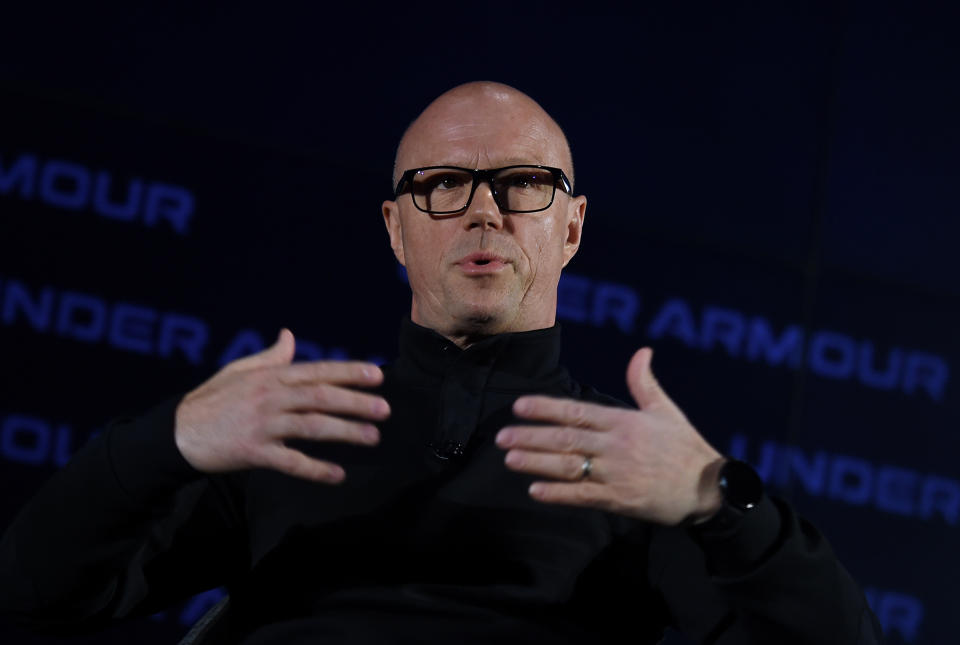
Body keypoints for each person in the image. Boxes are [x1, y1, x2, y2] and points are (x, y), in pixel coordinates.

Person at [0, 82, 882, 644]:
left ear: (569, 228)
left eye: (522, 183)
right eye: (442, 185)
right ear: (395, 225)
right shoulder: (293, 432)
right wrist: (171, 442)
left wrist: (719, 499)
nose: (484, 213)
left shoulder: (621, 467)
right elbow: (34, 597)